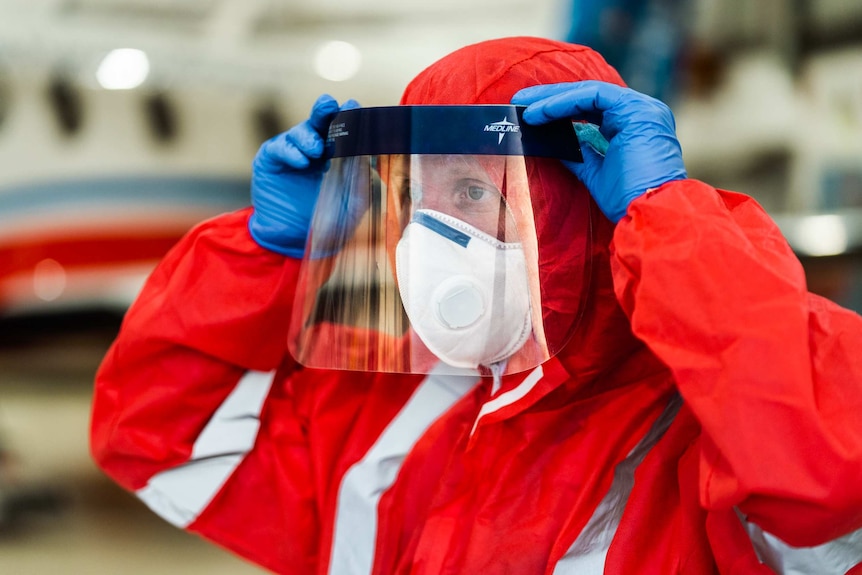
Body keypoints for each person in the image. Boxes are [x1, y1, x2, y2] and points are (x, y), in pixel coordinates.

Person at [89, 36, 862, 574]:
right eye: (420, 197)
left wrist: (668, 220)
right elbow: (153, 432)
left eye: (469, 192)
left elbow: (820, 475)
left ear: (570, 209)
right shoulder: (399, 413)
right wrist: (260, 254)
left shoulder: (700, 428)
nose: (433, 234)